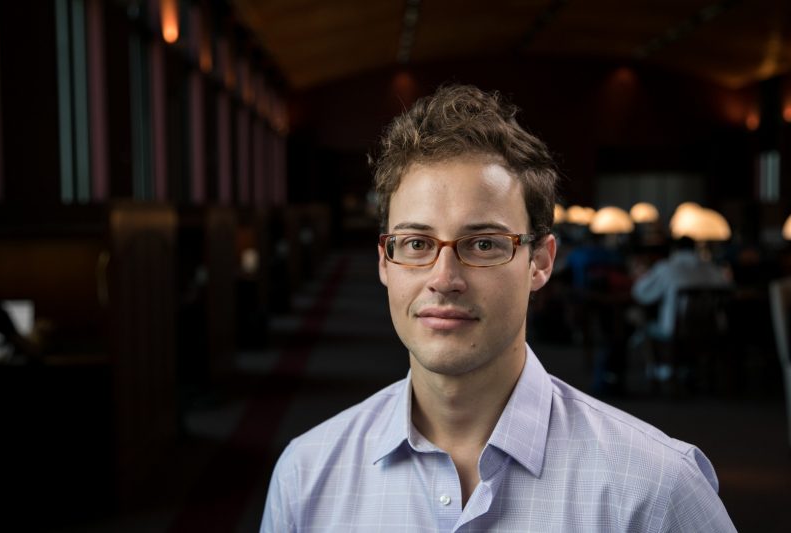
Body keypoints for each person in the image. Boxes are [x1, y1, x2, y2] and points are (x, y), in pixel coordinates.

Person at [260, 85, 735, 531]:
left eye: (484, 243)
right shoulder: (306, 477)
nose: (444, 278)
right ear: (385, 262)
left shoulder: (656, 489)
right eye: (416, 243)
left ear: (541, 263)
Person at [631, 236, 732, 343]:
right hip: (714, 333)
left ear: (674, 250)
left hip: (675, 334)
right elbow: (729, 290)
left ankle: (658, 359)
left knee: (640, 332)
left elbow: (640, 293)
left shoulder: (666, 268)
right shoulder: (712, 269)